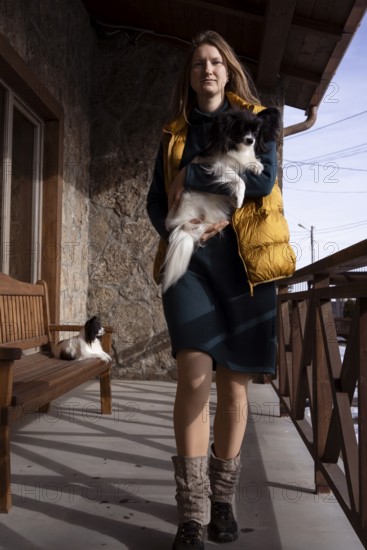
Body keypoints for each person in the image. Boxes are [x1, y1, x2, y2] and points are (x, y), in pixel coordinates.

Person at [146, 30, 295, 550]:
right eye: (198, 64)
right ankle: (192, 512)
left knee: (234, 387)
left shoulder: (256, 119)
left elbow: (260, 181)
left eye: (215, 62)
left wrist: (193, 172)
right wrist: (179, 222)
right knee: (193, 378)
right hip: (190, 265)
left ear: (228, 71)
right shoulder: (173, 131)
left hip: (246, 269)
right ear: (190, 77)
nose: (206, 70)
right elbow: (154, 202)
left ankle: (223, 503)